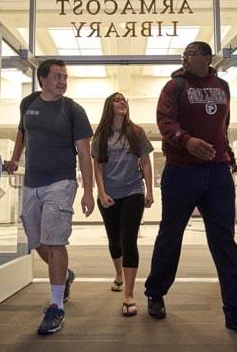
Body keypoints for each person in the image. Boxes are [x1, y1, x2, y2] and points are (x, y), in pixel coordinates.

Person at [144, 41, 237, 330]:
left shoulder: (223, 86)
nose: (186, 57)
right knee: (171, 234)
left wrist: (226, 155)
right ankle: (155, 293)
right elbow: (164, 123)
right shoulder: (175, 87)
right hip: (181, 172)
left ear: (206, 58)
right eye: (185, 53)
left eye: (192, 53)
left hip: (217, 172)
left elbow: (222, 126)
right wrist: (186, 141)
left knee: (223, 240)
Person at [3, 59, 94, 335]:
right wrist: (15, 159)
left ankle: (56, 307)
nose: (63, 81)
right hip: (32, 182)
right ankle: (65, 276)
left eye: (65, 76)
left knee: (54, 241)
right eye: (57, 76)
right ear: (43, 79)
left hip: (61, 182)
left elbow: (85, 154)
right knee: (37, 240)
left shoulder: (73, 110)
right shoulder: (28, 103)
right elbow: (22, 133)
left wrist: (89, 191)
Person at [92, 92, 154, 317]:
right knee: (114, 241)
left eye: (125, 100)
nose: (122, 102)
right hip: (109, 194)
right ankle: (119, 275)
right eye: (117, 100)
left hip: (133, 191)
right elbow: (97, 167)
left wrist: (149, 190)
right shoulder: (100, 135)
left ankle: (128, 294)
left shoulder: (136, 132)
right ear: (109, 105)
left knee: (129, 240)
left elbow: (146, 162)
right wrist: (101, 192)